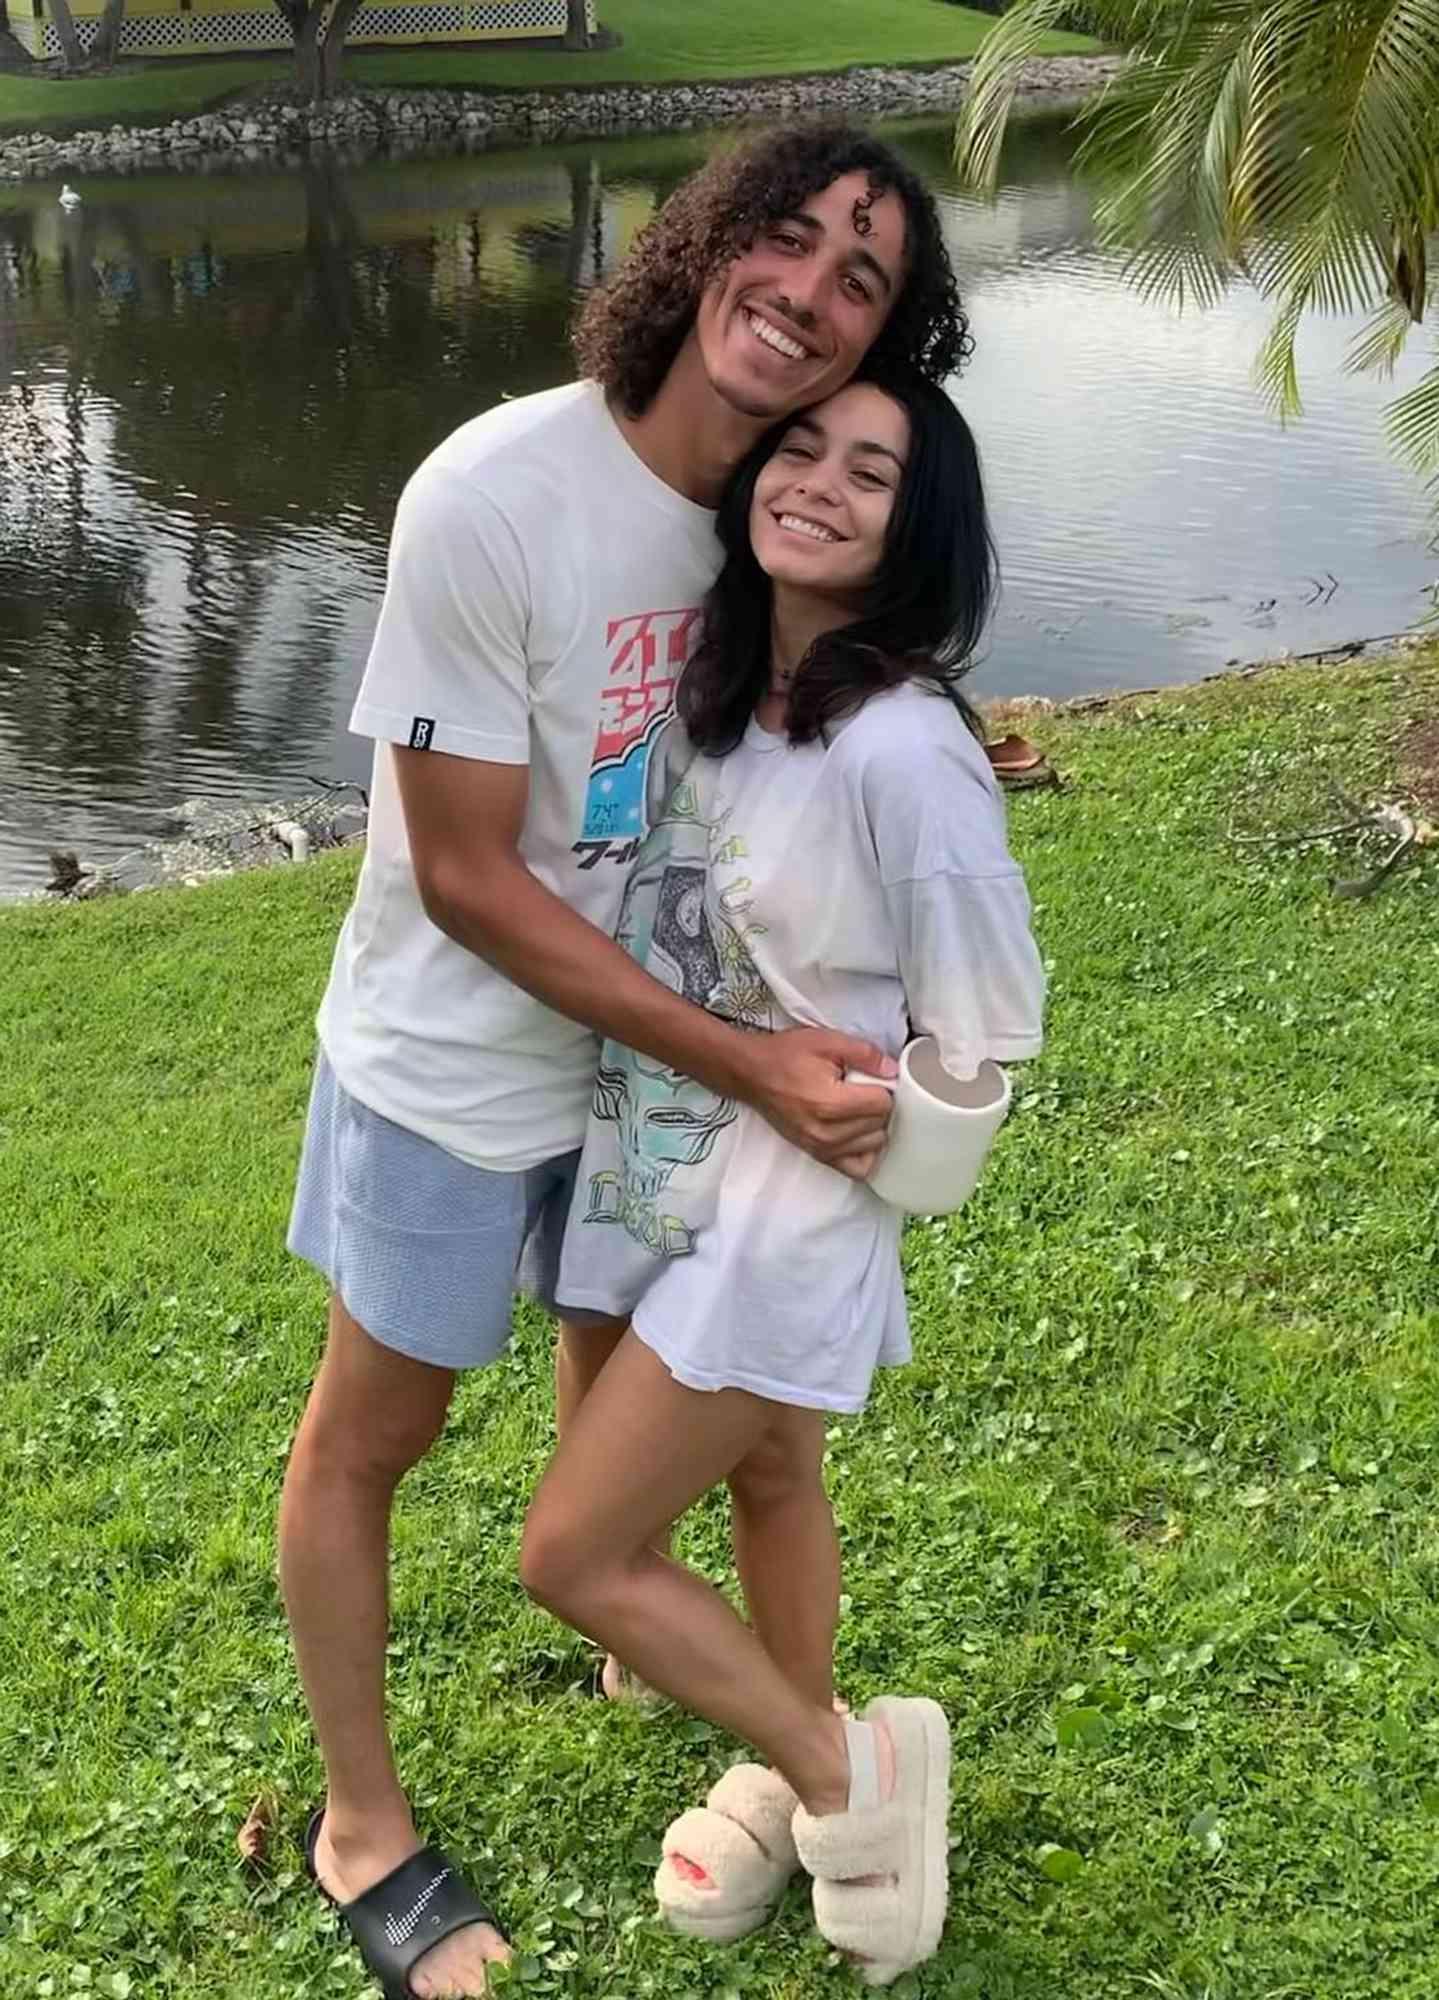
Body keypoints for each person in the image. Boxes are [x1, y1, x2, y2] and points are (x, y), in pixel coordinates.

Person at [281, 123, 971, 2000]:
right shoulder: (495, 493)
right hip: (452, 1074)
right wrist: (749, 1063)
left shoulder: (784, 507)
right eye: (790, 237)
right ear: (707, 236)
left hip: (651, 1097)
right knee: (375, 1437)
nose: (809, 293)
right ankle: (365, 1831)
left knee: (697, 1428)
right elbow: (465, 877)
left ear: (883, 342)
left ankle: (722, 1716)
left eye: (861, 280)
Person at [520, 370, 1046, 1986]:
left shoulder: (905, 749)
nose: (818, 482)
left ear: (915, 528)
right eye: (799, 447)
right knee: (768, 1477)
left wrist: (876, 1153)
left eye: (871, 473)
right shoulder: (716, 688)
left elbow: (985, 1023)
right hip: (662, 1154)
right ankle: (790, 1739)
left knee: (573, 1556)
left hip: (780, 1207)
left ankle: (843, 1777)